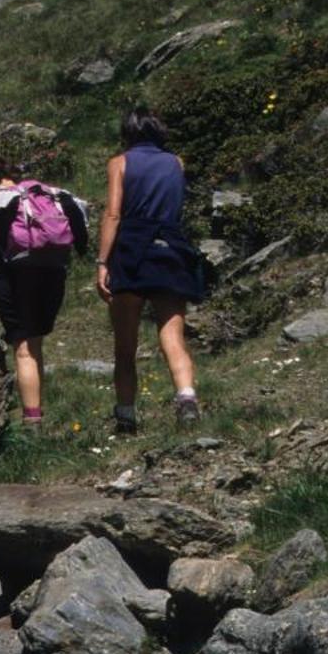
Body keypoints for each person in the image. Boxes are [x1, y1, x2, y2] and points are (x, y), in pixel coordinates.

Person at [96, 106, 203, 432]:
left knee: (125, 344)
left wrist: (102, 261)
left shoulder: (120, 163)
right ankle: (186, 398)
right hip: (170, 247)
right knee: (172, 335)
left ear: (127, 132)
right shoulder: (176, 163)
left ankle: (126, 416)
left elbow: (114, 214)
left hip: (131, 248)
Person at [0, 165, 90, 425]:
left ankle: (32, 420)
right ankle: (37, 408)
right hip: (53, 271)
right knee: (35, 343)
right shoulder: (47, 193)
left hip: (15, 275)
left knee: (23, 349)